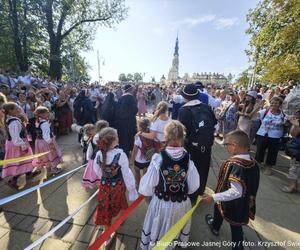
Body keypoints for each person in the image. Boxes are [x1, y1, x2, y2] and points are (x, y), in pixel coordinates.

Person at [139, 120, 200, 249]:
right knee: (174, 230)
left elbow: (147, 187)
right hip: (181, 203)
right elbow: (194, 186)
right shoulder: (188, 159)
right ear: (182, 138)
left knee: (158, 228)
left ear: (165, 137)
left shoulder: (158, 158)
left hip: (162, 203)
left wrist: (149, 192)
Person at [203, 130, 260, 250]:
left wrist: (213, 197)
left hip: (233, 203)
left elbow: (235, 192)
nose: (226, 147)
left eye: (226, 144)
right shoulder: (253, 163)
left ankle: (236, 246)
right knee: (221, 212)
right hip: (243, 202)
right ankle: (215, 225)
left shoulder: (236, 165)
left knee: (235, 225)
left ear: (233, 145)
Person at [93, 127, 138, 246]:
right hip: (117, 187)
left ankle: (108, 229)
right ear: (113, 141)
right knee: (120, 200)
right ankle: (114, 226)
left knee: (106, 207)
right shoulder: (120, 155)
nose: (118, 139)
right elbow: (126, 174)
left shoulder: (98, 154)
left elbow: (97, 172)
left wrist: (104, 179)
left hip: (104, 187)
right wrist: (132, 189)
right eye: (117, 137)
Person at [178, 84, 217, 200]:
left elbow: (182, 132)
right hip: (206, 145)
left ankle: (190, 194)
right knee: (203, 169)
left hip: (191, 146)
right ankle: (200, 191)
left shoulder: (183, 110)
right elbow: (214, 124)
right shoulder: (207, 107)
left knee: (190, 170)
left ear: (184, 96)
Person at [2, 102, 34, 189]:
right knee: (19, 163)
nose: (19, 108)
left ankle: (29, 173)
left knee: (24, 161)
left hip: (16, 144)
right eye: (16, 108)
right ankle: (13, 180)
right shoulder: (13, 122)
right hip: (17, 146)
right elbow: (16, 139)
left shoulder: (12, 119)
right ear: (10, 111)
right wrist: (23, 145)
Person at [255, 96, 286, 175]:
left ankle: (268, 167)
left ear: (280, 105)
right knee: (260, 150)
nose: (273, 104)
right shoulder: (266, 111)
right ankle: (257, 164)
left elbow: (287, 122)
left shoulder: (283, 113)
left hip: (275, 136)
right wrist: (258, 106)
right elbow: (255, 114)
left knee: (272, 152)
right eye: (272, 103)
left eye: (276, 103)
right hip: (262, 134)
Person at [33, 106, 63, 175]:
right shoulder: (44, 123)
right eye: (47, 112)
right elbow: (46, 135)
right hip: (45, 142)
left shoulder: (38, 121)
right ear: (41, 114)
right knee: (51, 154)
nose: (48, 114)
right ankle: (54, 169)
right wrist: (50, 142)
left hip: (39, 142)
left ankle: (48, 169)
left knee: (45, 156)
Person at [82, 120, 109, 189]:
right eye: (104, 128)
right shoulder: (96, 137)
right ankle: (101, 186)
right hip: (96, 160)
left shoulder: (105, 136)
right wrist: (88, 159)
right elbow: (90, 149)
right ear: (100, 128)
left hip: (104, 158)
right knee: (98, 173)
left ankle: (103, 185)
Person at [114, 84, 138, 156]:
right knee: (130, 135)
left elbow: (117, 111)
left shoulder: (121, 98)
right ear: (130, 90)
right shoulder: (131, 98)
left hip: (121, 122)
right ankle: (129, 150)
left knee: (123, 136)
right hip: (130, 121)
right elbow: (135, 110)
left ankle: (124, 150)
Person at [130, 118, 153, 186]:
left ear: (140, 127)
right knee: (145, 173)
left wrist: (132, 160)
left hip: (138, 161)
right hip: (148, 160)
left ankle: (138, 184)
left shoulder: (138, 137)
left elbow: (134, 150)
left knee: (137, 172)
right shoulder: (151, 135)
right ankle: (145, 185)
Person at [282, 112, 300, 193]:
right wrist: (295, 125)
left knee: (294, 168)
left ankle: (292, 186)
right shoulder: (297, 120)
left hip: (297, 149)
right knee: (295, 167)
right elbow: (293, 134)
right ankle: (294, 185)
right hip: (296, 149)